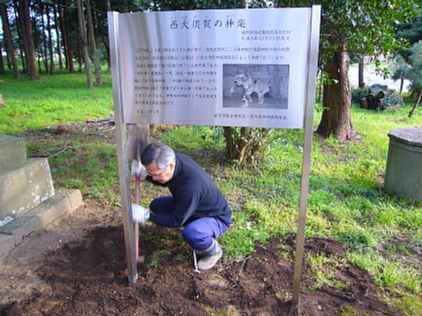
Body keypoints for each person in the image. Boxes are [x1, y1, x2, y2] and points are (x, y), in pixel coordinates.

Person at [131, 142, 232, 271]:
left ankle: (213, 251)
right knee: (156, 205)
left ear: (170, 165)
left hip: (216, 217)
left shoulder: (190, 188)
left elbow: (176, 221)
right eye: (151, 174)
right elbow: (167, 180)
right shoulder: (175, 161)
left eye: (156, 174)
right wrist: (145, 175)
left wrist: (147, 216)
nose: (154, 178)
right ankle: (192, 221)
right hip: (192, 205)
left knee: (192, 232)